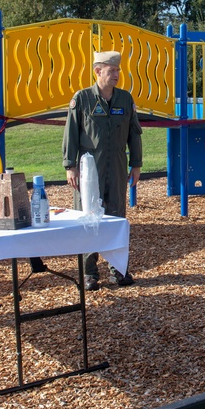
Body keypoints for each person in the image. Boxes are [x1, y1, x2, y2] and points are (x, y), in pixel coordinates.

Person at [62, 50, 143, 291]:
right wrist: (70, 166)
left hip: (117, 164)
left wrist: (136, 164)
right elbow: (71, 134)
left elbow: (134, 134)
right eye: (112, 70)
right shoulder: (83, 99)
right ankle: (89, 272)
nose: (117, 74)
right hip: (89, 167)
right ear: (98, 71)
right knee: (88, 217)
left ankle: (118, 270)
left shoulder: (125, 99)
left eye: (118, 70)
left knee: (117, 216)